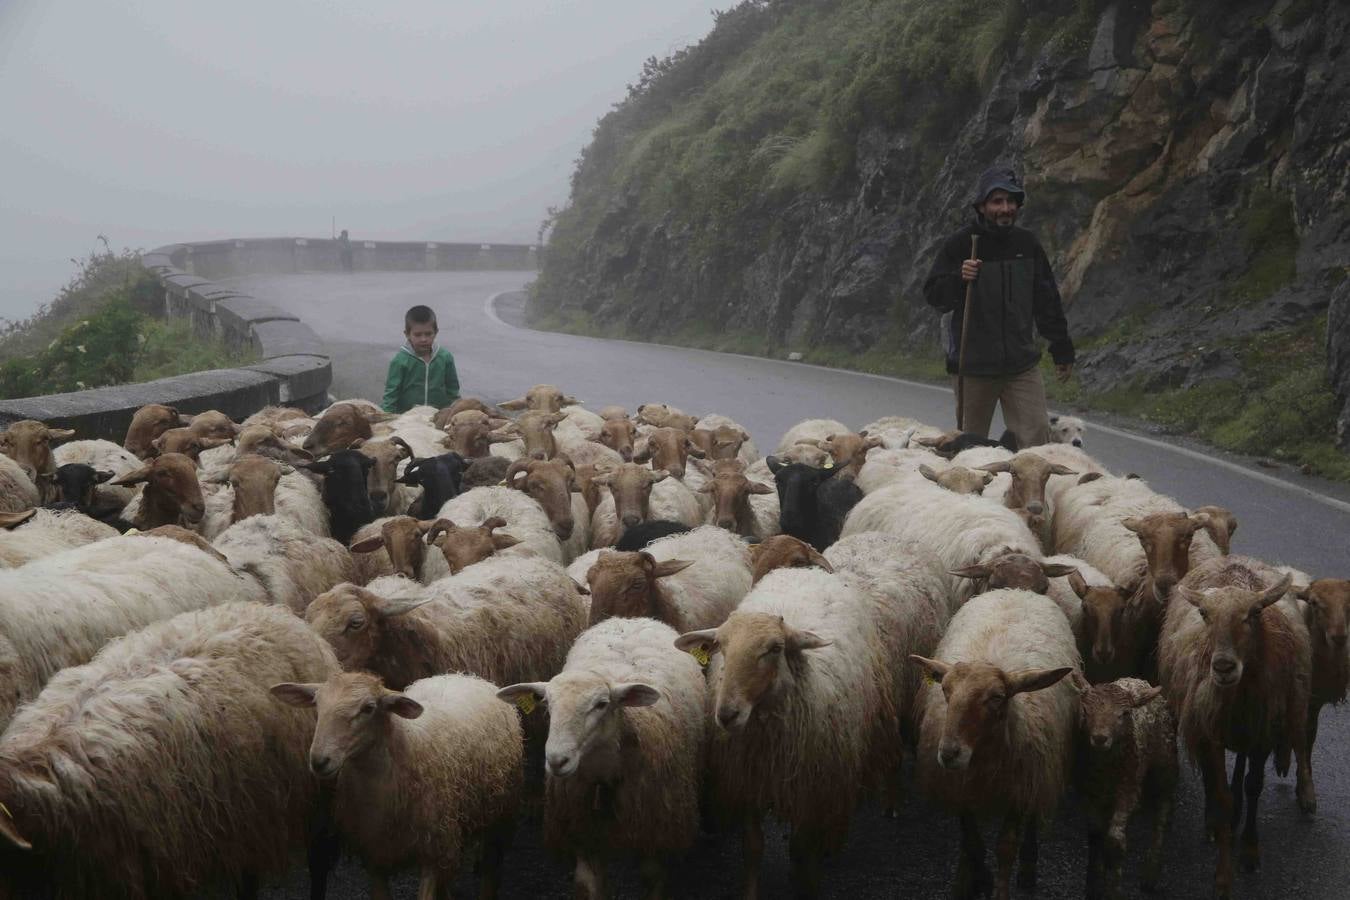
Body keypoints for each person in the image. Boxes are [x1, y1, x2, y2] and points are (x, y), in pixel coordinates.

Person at [922, 165, 1074, 448]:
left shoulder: (1027, 244)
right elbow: (934, 295)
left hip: (1020, 364)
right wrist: (959, 279)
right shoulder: (961, 245)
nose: (1006, 208)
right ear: (981, 206)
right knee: (968, 447)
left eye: (1011, 201)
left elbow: (1046, 299)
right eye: (997, 201)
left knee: (1038, 442)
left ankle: (1029, 494)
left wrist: (1061, 347)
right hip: (973, 366)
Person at [381, 305, 460, 414]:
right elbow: (391, 394)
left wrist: (456, 412)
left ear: (436, 332)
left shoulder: (445, 357)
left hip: (439, 415)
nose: (424, 339)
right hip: (407, 418)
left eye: (428, 334)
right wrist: (386, 416)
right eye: (417, 335)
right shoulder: (400, 361)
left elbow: (453, 390)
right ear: (407, 334)